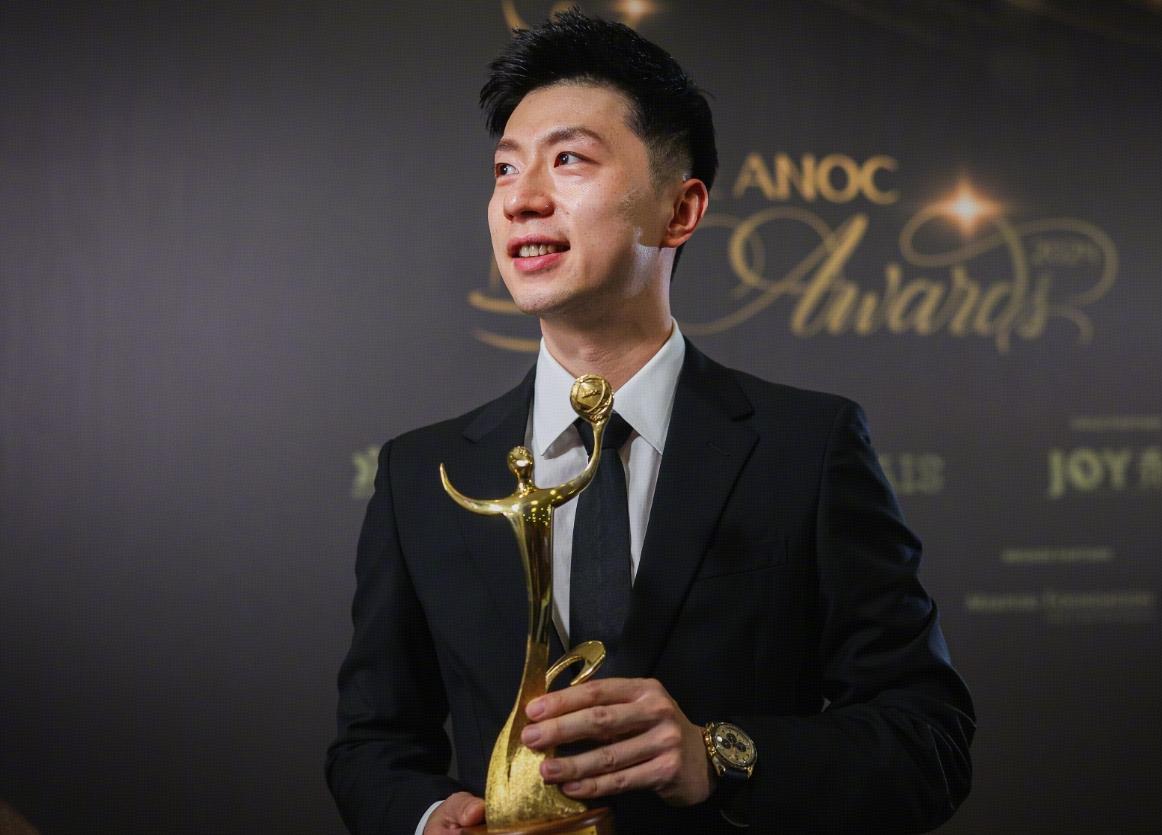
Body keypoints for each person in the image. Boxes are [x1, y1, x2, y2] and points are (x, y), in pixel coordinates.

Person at [326, 10, 974, 834]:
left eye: (568, 160)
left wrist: (717, 755)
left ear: (679, 210)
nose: (522, 199)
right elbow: (371, 744)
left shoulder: (806, 448)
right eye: (504, 169)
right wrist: (429, 816)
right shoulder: (422, 473)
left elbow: (927, 740)